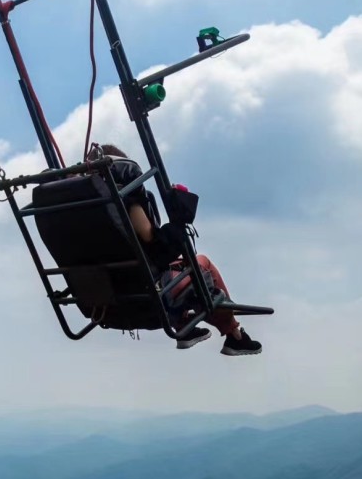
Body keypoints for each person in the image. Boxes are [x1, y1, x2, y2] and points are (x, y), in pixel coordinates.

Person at [93, 144, 261, 356]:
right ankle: (233, 335)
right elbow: (148, 236)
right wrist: (176, 227)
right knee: (202, 263)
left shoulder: (83, 208)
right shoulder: (122, 198)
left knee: (185, 266)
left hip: (103, 292)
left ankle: (187, 327)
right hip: (145, 290)